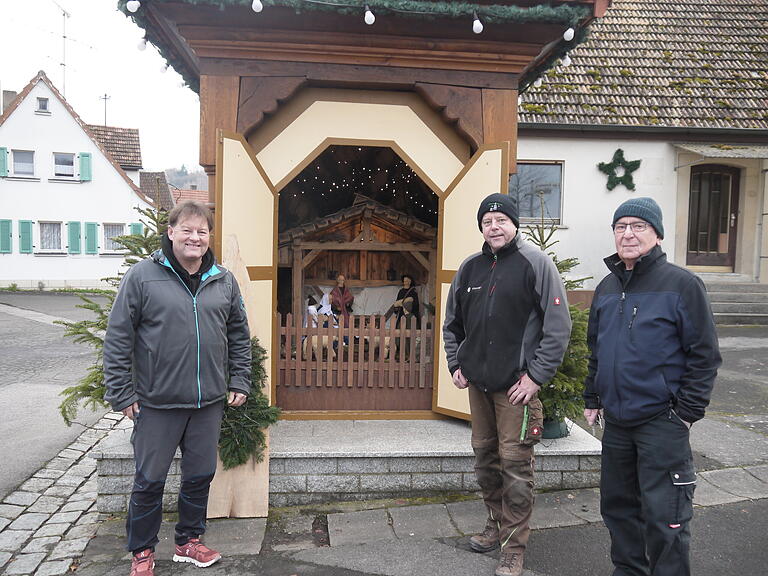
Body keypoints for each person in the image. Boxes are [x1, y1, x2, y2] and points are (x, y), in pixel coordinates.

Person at [103, 201, 252, 576]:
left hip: (207, 402)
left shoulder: (224, 280)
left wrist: (239, 379)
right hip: (156, 402)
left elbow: (238, 335)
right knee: (149, 480)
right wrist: (122, 393)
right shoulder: (142, 276)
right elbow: (119, 336)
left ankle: (188, 541)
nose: (194, 237)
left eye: (202, 231)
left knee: (200, 475)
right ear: (171, 232)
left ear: (208, 238)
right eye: (187, 229)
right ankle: (142, 551)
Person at [583, 197, 721, 576]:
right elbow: (596, 349)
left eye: (638, 226)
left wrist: (686, 414)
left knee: (666, 517)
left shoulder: (682, 285)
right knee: (618, 509)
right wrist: (593, 395)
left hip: (662, 421)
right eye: (620, 226)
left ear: (657, 233)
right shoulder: (607, 288)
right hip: (617, 424)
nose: (628, 234)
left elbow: (704, 356)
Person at [443, 192, 572, 576]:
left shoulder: (536, 264)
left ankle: (514, 546)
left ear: (514, 224)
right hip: (479, 387)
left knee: (515, 467)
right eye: (487, 221)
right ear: (481, 227)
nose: (493, 227)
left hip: (516, 388)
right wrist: (456, 363)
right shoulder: (470, 269)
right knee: (486, 460)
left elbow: (557, 327)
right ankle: (494, 526)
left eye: (500, 220)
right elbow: (452, 324)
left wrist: (536, 377)